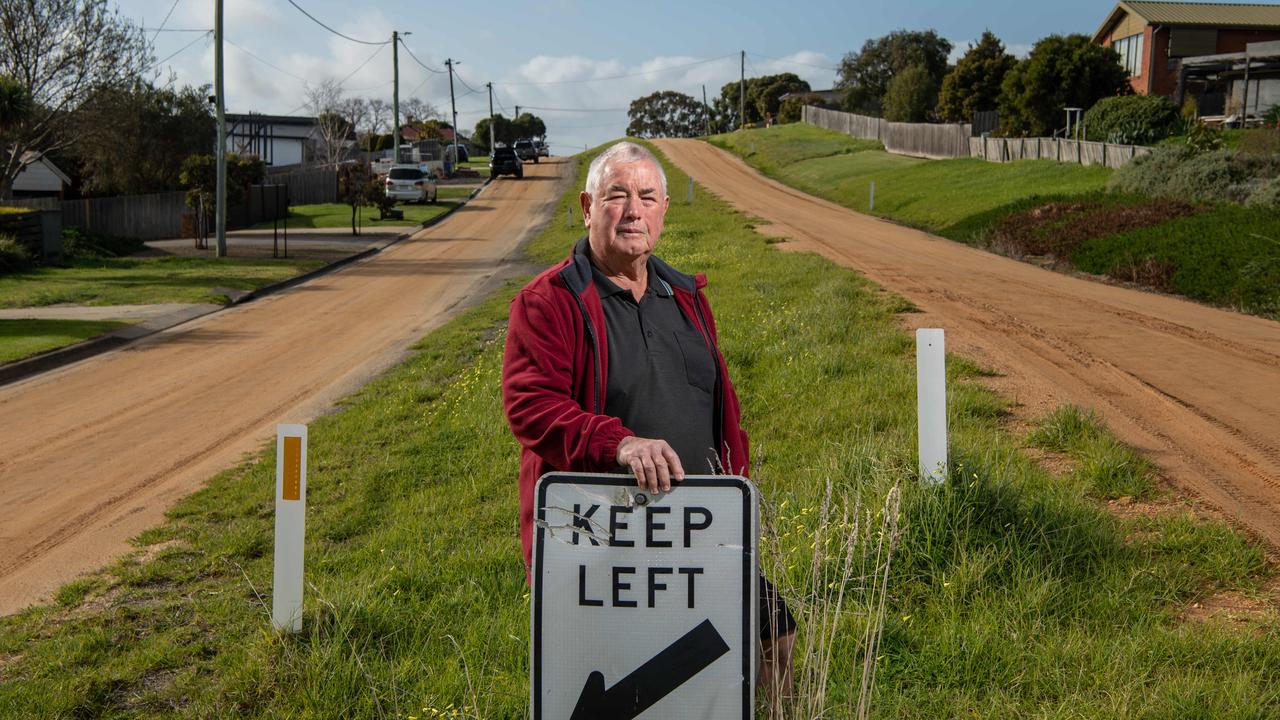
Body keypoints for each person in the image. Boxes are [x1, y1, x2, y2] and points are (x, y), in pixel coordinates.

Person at [501, 141, 796, 695]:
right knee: (628, 679)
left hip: (697, 527)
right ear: (588, 207)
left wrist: (736, 489)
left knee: (773, 636)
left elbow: (716, 406)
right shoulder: (551, 301)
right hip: (606, 538)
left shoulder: (683, 295)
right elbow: (530, 405)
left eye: (647, 196)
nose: (633, 210)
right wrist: (620, 444)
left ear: (663, 211)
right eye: (617, 195)